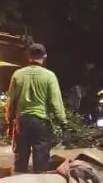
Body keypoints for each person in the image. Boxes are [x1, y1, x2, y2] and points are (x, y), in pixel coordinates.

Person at [4, 43, 67, 174]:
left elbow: (11, 101)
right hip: (41, 123)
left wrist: (9, 122)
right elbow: (55, 102)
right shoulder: (49, 76)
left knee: (20, 160)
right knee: (41, 162)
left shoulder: (18, 75)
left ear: (28, 57)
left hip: (22, 122)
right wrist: (63, 122)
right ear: (44, 57)